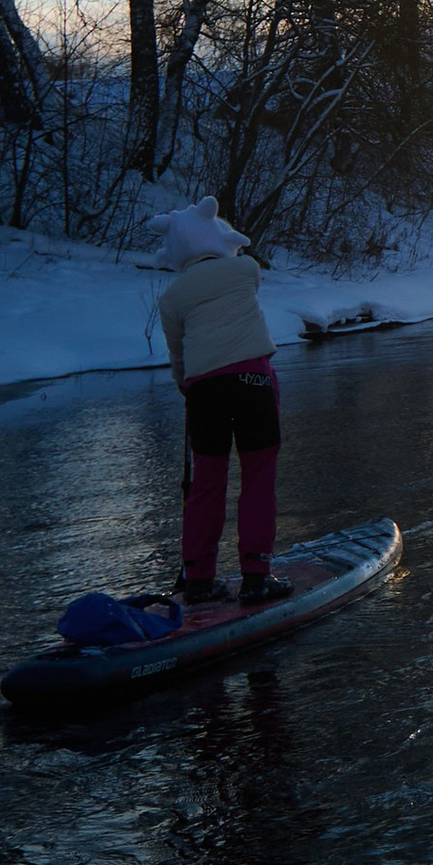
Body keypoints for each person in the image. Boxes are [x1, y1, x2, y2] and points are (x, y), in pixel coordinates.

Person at [157, 195, 285, 603]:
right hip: (253, 381)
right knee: (258, 477)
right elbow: (238, 261)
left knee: (207, 484)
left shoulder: (172, 298)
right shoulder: (246, 269)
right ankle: (256, 576)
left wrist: (185, 385)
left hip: (204, 390)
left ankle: (197, 579)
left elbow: (178, 354)